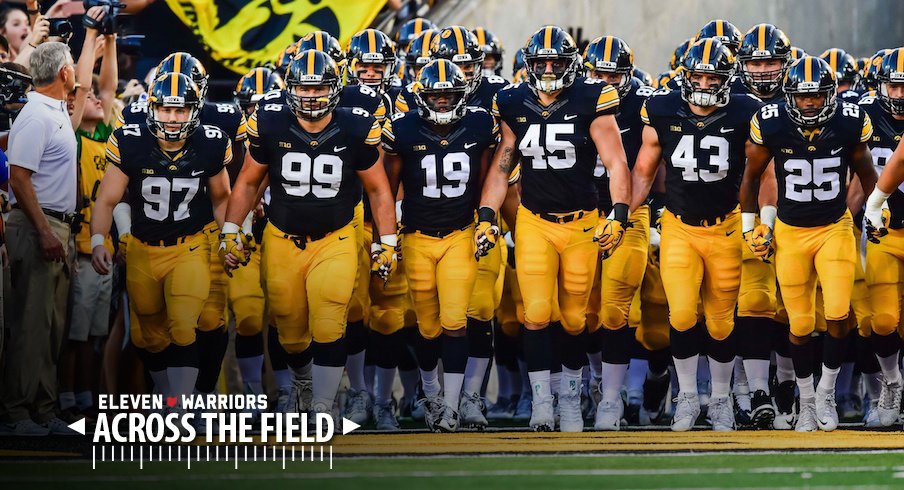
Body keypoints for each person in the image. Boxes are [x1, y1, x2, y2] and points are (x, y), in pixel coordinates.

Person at [220, 50, 397, 420]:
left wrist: (387, 241)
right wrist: (231, 230)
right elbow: (249, 179)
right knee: (289, 326)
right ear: (291, 88)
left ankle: (323, 404)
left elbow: (380, 189)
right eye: (304, 86)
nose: (311, 95)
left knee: (331, 315)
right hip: (283, 237)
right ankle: (303, 382)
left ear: (334, 89)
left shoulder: (355, 126)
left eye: (319, 87)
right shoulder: (271, 121)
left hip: (336, 237)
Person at [476, 26, 631, 432]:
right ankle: (543, 401)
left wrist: (617, 213)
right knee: (536, 313)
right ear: (528, 65)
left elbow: (616, 163)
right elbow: (503, 164)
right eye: (540, 63)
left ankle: (571, 399)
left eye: (555, 63)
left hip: (582, 222)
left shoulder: (591, 97)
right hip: (534, 221)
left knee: (576, 318)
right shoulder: (512, 101)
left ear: (571, 65)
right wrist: (488, 215)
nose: (547, 70)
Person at [630, 39, 763, 432]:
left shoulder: (745, 110)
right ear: (685, 76)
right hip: (679, 226)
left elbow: (761, 174)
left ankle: (720, 399)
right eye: (698, 75)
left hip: (725, 227)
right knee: (683, 312)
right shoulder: (662, 107)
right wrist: (623, 214)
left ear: (727, 79)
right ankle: (686, 395)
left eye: (713, 76)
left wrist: (759, 221)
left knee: (721, 322)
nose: (704, 83)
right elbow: (643, 170)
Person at [740, 56, 877, 432]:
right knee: (799, 324)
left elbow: (867, 172)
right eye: (803, 97)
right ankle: (805, 401)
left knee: (836, 313)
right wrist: (749, 226)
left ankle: (826, 392)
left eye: (817, 96)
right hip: (790, 232)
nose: (811, 104)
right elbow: (752, 178)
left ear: (830, 95)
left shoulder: (848, 122)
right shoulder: (772, 123)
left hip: (834, 228)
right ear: (789, 97)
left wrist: (877, 209)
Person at [90, 72, 232, 418]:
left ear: (195, 110)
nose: (172, 117)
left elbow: (221, 199)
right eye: (166, 109)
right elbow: (108, 199)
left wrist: (229, 237)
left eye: (181, 110)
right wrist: (98, 240)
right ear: (152, 107)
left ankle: (179, 410)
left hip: (191, 245)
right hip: (141, 246)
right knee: (147, 337)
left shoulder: (210, 142)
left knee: (184, 323)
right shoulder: (131, 139)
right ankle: (170, 399)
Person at [383, 59, 497, 431]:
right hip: (416, 235)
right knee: (427, 327)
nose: (444, 103)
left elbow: (488, 174)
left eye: (450, 96)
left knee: (455, 322)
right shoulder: (402, 129)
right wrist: (385, 236)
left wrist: (486, 220)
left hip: (460, 233)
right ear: (422, 96)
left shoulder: (479, 124)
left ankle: (451, 405)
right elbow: (387, 186)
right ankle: (431, 392)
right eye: (437, 96)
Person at [0, 41, 78, 436]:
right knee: (32, 321)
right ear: (64, 72)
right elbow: (18, 176)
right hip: (38, 225)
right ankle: (17, 413)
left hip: (55, 224)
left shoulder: (53, 110)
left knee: (51, 324)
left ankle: (44, 409)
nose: (77, 70)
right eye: (74, 65)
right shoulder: (35, 114)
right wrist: (46, 231)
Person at [59, 6, 118, 422]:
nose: (97, 98)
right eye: (89, 96)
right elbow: (88, 90)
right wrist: (92, 39)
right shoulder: (75, 134)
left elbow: (109, 91)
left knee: (97, 334)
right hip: (79, 247)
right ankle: (66, 396)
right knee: (75, 335)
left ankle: (88, 397)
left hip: (104, 249)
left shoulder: (103, 136)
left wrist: (111, 40)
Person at [861, 46, 904, 428]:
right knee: (883, 319)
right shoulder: (863, 116)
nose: (900, 95)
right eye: (894, 86)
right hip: (884, 232)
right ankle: (892, 383)